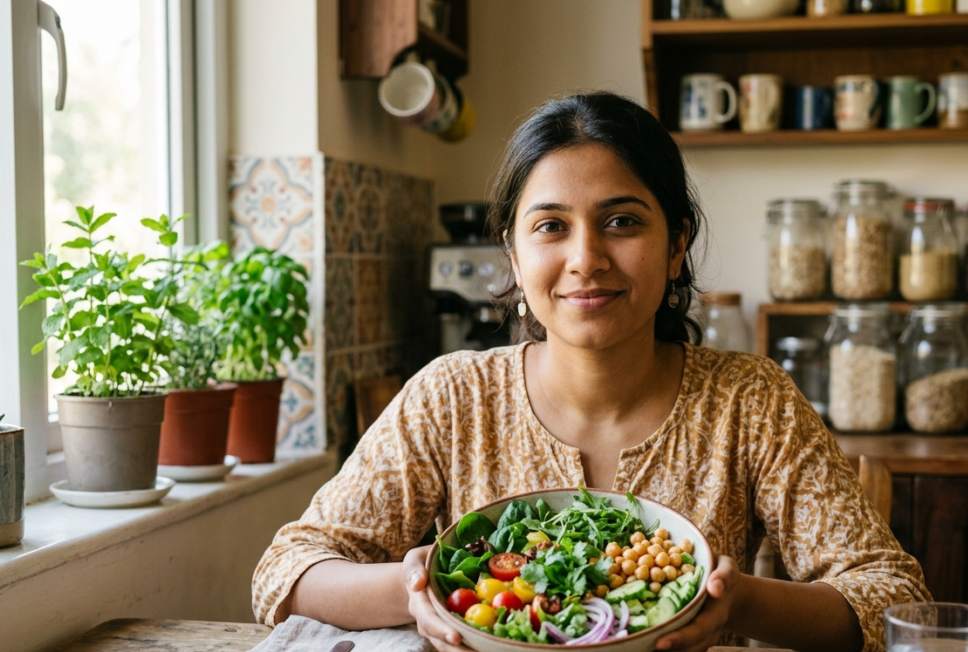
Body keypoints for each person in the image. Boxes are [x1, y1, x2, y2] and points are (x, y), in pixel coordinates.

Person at [251, 91, 930, 652]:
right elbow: (284, 573)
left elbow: (893, 597)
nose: (586, 258)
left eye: (622, 221)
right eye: (550, 227)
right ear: (514, 257)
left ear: (676, 246)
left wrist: (738, 603)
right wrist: (416, 586)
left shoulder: (749, 401)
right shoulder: (452, 397)